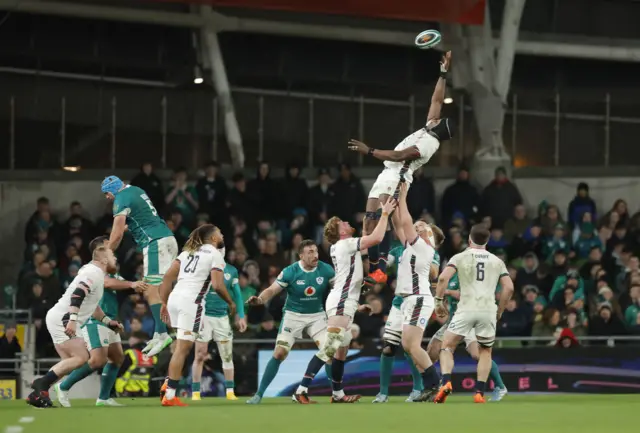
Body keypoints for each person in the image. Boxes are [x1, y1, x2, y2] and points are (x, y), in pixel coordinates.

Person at [347, 51, 453, 285]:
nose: (434, 118)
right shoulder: (429, 129)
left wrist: (370, 151)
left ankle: (380, 268)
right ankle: (376, 268)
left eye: (437, 121)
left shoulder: (428, 143)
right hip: (386, 174)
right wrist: (443, 74)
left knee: (383, 219)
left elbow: (399, 155)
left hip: (398, 177)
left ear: (439, 130)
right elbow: (436, 101)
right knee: (369, 222)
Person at [293, 198, 397, 404]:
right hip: (341, 301)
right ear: (340, 231)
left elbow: (370, 242)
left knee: (342, 349)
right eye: (343, 223)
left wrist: (357, 306)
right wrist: (384, 214)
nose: (347, 223)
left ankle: (338, 394)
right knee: (331, 348)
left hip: (344, 301)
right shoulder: (345, 244)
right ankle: (301, 389)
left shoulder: (343, 246)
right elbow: (375, 238)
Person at [54, 236, 148, 408]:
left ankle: (103, 398)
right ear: (100, 249)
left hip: (109, 319)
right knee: (97, 360)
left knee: (117, 358)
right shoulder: (92, 269)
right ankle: (63, 386)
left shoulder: (110, 269)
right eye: (108, 245)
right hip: (95, 319)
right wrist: (131, 284)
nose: (112, 249)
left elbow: (113, 285)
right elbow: (106, 284)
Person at [374, 183, 444, 403]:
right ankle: (431, 385)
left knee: (411, 346)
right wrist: (391, 205)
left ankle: (436, 384)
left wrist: (403, 196)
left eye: (421, 226)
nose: (418, 226)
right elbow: (399, 224)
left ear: (427, 235)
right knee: (407, 345)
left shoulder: (423, 247)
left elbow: (404, 221)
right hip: (407, 300)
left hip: (417, 299)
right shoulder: (411, 247)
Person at [28, 246, 122, 408]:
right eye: (113, 256)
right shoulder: (94, 273)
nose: (116, 260)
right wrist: (72, 320)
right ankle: (41, 384)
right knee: (81, 358)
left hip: (61, 317)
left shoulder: (94, 273)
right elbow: (78, 293)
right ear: (104, 260)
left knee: (69, 363)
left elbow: (92, 306)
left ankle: (37, 393)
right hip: (63, 319)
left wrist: (107, 322)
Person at [245, 240, 336, 404]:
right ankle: (258, 394)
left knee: (329, 353)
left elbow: (339, 289)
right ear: (301, 255)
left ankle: (336, 394)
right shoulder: (290, 271)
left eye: (315, 251)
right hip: (293, 315)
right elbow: (272, 289)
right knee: (279, 353)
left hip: (317, 315)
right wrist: (260, 299)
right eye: (310, 252)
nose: (315, 255)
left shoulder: (326, 269)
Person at [433, 224, 514, 404]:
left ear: (469, 239)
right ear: (487, 240)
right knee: (485, 351)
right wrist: (499, 310)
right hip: (487, 311)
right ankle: (479, 392)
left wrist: (438, 301)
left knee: (447, 346)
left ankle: (446, 382)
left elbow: (443, 278)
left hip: (466, 308)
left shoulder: (460, 257)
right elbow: (509, 287)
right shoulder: (497, 261)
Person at [158, 224, 235, 407]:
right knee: (182, 350)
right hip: (191, 303)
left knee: (180, 347)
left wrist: (163, 302)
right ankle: (169, 395)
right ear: (214, 238)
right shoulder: (214, 255)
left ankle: (168, 384)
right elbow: (217, 285)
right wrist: (230, 302)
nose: (222, 234)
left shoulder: (187, 253)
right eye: (220, 232)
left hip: (175, 298)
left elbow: (167, 277)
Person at [101, 175, 179, 357]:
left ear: (112, 190)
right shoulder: (136, 190)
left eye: (106, 193)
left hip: (154, 243)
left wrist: (107, 254)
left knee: (151, 289)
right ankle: (162, 332)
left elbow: (118, 233)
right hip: (165, 239)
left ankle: (162, 333)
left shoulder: (120, 199)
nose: (106, 197)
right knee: (157, 289)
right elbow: (140, 219)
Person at [427, 269, 509, 402]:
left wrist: (446, 292)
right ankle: (430, 388)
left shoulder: (473, 279)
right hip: (453, 322)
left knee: (477, 354)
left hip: (470, 322)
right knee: (431, 352)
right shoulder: (451, 279)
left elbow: (468, 296)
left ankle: (500, 386)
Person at [191, 255, 246, 401]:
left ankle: (230, 392)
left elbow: (238, 295)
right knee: (200, 355)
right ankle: (195, 392)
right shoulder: (202, 268)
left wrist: (241, 316)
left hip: (222, 318)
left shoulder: (231, 271)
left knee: (227, 356)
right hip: (204, 317)